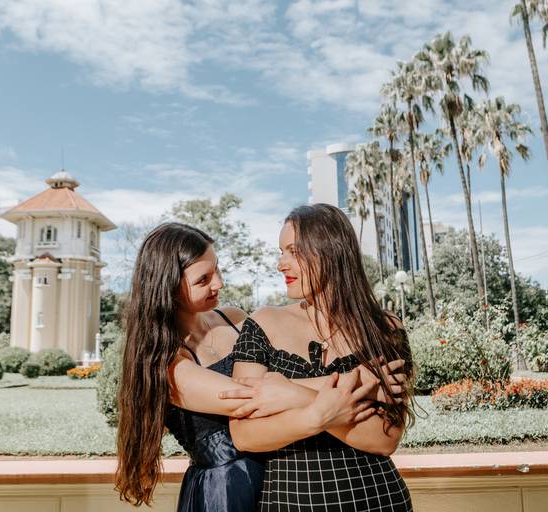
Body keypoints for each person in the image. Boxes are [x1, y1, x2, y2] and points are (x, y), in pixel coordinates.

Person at [114, 222, 397, 511]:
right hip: (225, 488)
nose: (219, 283)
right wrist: (360, 381)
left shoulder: (234, 319)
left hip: (278, 471)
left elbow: (280, 382)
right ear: (168, 288)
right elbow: (252, 396)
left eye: (217, 269)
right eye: (203, 280)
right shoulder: (168, 365)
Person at [230, 204, 416, 511]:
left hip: (376, 499)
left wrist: (295, 393)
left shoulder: (385, 327)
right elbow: (245, 435)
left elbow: (385, 439)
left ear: (331, 251)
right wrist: (338, 400)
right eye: (281, 252)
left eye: (293, 251)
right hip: (290, 502)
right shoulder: (263, 323)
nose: (280, 264)